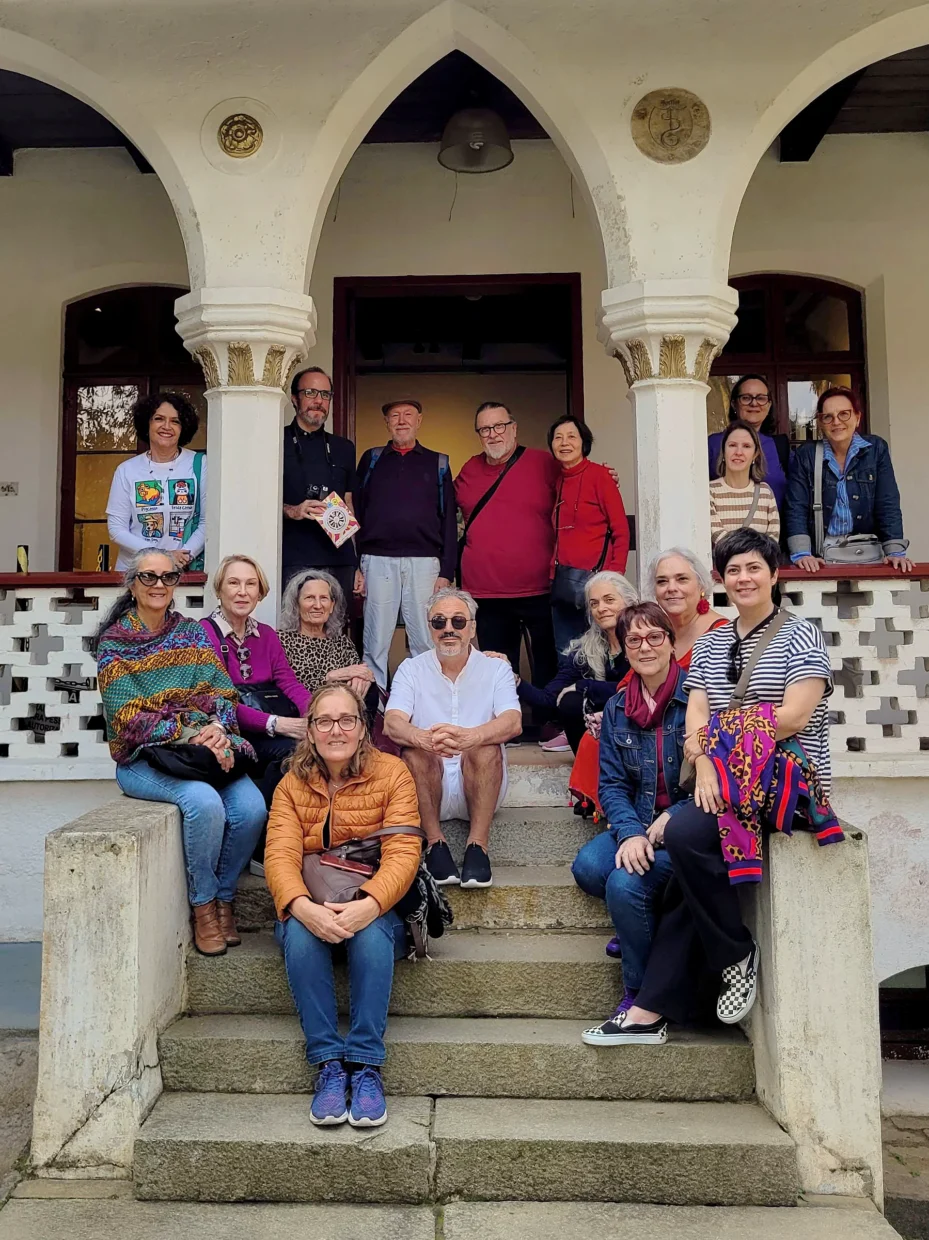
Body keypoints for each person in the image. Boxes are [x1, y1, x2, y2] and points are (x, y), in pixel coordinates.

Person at [606, 528, 834, 1045]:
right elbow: (695, 725)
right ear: (721, 579)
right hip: (725, 785)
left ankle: (732, 953)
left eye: (754, 568)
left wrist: (715, 743)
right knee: (687, 855)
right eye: (733, 570)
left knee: (685, 837)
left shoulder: (803, 635)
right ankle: (657, 1004)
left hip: (785, 785)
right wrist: (705, 766)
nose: (744, 578)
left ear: (774, 574)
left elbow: (793, 717)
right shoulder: (710, 644)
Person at [95, 550, 266, 957]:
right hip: (143, 759)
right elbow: (128, 719)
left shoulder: (190, 633)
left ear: (176, 583)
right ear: (132, 583)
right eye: (148, 577)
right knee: (205, 805)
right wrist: (190, 732)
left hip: (203, 753)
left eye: (167, 577)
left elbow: (223, 692)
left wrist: (218, 729)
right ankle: (203, 906)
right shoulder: (114, 643)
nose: (158, 585)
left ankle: (224, 898)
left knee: (252, 808)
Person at [265, 684, 421, 1128]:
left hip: (374, 902)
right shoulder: (291, 783)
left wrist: (369, 906)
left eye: (347, 720)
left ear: (362, 728)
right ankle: (329, 1064)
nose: (336, 730)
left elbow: (404, 852)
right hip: (313, 900)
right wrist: (301, 906)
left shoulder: (393, 773)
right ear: (310, 732)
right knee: (297, 932)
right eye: (325, 721)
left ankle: (367, 1064)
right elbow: (279, 854)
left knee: (371, 939)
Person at [572, 603, 690, 1043]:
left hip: (684, 829)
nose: (645, 647)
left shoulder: (696, 698)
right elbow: (612, 785)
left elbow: (714, 779)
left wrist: (669, 818)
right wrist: (630, 832)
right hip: (639, 824)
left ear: (671, 641)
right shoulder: (620, 706)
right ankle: (633, 924)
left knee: (625, 885)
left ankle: (643, 998)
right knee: (588, 866)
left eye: (654, 637)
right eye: (634, 640)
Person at [568, 549, 725, 820]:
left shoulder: (720, 632)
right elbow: (631, 682)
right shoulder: (655, 628)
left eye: (681, 579)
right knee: (602, 733)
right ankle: (622, 814)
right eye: (662, 581)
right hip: (650, 721)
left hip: (696, 730)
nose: (671, 588)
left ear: (701, 585)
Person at [384, 587, 522, 889]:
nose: (449, 629)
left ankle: (478, 847)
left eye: (458, 622)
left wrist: (473, 737)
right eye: (439, 622)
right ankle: (435, 844)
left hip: (481, 781)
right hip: (428, 782)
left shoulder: (496, 668)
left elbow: (513, 722)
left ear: (472, 627)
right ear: (429, 627)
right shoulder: (411, 669)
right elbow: (392, 723)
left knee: (485, 749)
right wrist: (423, 738)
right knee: (414, 752)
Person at [454, 402, 561, 713]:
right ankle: (505, 725)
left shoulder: (544, 463)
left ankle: (549, 723)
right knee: (496, 666)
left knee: (547, 661)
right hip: (485, 590)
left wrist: (606, 477)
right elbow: (443, 512)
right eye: (485, 429)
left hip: (540, 585)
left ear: (514, 428)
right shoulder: (469, 470)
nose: (493, 434)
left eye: (499, 426)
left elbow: (579, 487)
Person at [354, 399, 457, 690]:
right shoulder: (372, 459)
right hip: (377, 559)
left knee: (425, 640)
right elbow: (356, 513)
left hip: (426, 562)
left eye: (408, 415)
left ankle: (423, 703)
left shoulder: (438, 462)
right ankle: (375, 708)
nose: (401, 420)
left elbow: (449, 519)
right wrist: (356, 564)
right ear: (387, 423)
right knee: (375, 641)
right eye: (394, 416)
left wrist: (446, 571)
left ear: (419, 421)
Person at [200, 555, 311, 813]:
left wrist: (315, 716)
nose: (242, 592)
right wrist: (278, 724)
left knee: (316, 745)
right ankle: (264, 830)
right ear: (219, 590)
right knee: (294, 752)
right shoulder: (204, 634)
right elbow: (220, 701)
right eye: (233, 583)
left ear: (260, 592)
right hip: (229, 732)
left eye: (251, 584)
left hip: (267, 730)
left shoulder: (267, 634)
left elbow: (288, 682)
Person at [491, 571, 637, 755]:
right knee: (570, 702)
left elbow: (636, 691)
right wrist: (510, 676)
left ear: (629, 602)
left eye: (609, 600)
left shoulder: (645, 641)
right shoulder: (585, 651)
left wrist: (584, 685)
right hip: (602, 741)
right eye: (594, 603)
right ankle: (588, 766)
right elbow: (548, 700)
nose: (601, 608)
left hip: (642, 730)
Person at [785, 386, 913, 573]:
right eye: (828, 417)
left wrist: (894, 551)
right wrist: (801, 553)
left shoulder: (876, 449)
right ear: (821, 423)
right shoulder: (807, 455)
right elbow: (796, 506)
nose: (836, 422)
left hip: (867, 552)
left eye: (844, 414)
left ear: (857, 417)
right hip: (820, 558)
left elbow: (887, 502)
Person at [548, 415, 630, 654]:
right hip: (563, 584)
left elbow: (621, 530)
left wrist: (614, 577)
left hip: (597, 585)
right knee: (566, 654)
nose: (564, 443)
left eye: (571, 436)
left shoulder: (600, 476)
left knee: (603, 651)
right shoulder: (556, 480)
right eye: (558, 438)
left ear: (584, 442)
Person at [282, 366, 360, 603]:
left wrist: (356, 563)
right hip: (292, 558)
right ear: (294, 399)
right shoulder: (275, 440)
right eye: (310, 393)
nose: (319, 401)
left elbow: (348, 503)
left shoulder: (344, 447)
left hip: (340, 560)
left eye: (325, 395)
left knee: (336, 631)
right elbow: (255, 499)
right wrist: (292, 510)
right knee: (294, 633)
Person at [106, 391, 206, 571]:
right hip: (135, 572)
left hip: (183, 571)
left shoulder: (200, 465)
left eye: (175, 421)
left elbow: (208, 522)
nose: (167, 426)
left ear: (184, 427)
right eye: (159, 419)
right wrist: (164, 556)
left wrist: (182, 556)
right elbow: (116, 530)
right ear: (147, 423)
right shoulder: (127, 470)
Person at [278, 569, 378, 720]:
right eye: (310, 598)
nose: (318, 605)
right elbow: (288, 686)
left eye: (324, 598)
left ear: (332, 606)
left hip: (342, 712)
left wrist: (362, 679)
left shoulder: (341, 642)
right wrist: (331, 677)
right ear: (296, 604)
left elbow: (358, 671)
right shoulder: (281, 640)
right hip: (302, 716)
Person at [708, 375, 790, 509]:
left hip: (772, 528)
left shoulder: (780, 447)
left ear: (769, 405)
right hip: (724, 527)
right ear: (734, 403)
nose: (754, 403)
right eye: (746, 398)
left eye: (761, 398)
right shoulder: (713, 444)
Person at [709, 419, 780, 545]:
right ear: (723, 451)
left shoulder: (765, 492)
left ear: (755, 454)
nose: (738, 452)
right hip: (724, 565)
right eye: (732, 445)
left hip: (757, 564)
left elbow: (772, 540)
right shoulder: (710, 492)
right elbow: (718, 536)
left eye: (746, 446)